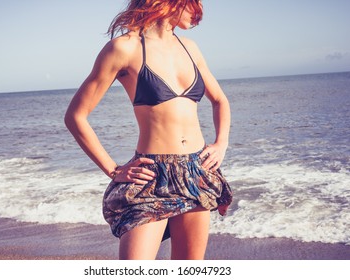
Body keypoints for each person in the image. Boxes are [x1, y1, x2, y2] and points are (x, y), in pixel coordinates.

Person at [65, 0, 232, 260]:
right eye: (194, 5)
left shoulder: (189, 48)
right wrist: (113, 169)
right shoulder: (124, 48)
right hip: (151, 176)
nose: (199, 14)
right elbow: (76, 116)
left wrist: (221, 143)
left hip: (196, 171)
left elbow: (220, 100)